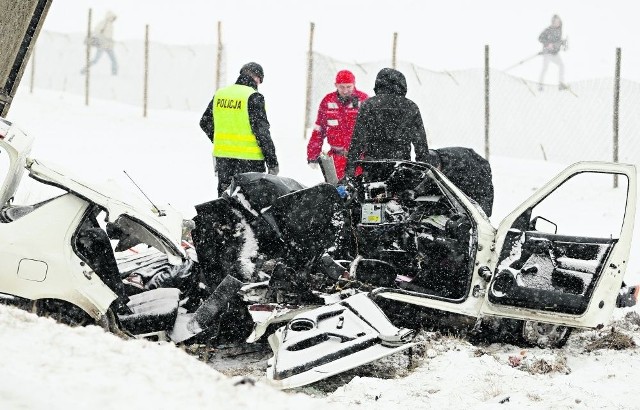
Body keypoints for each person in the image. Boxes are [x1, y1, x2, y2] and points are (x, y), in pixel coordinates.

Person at [199, 62, 279, 196]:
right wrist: (272, 162)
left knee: (225, 200)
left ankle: (223, 218)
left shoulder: (221, 94)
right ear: (257, 78)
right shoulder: (253, 96)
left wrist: (220, 141)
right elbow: (262, 132)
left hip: (223, 159)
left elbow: (205, 122)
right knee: (249, 202)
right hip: (250, 161)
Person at [345, 67, 429, 178]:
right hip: (400, 167)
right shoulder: (411, 107)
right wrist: (423, 170)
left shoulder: (368, 105)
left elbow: (358, 140)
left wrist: (350, 170)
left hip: (373, 166)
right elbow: (420, 143)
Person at [306, 70, 369, 181]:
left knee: (358, 192)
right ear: (336, 85)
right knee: (336, 192)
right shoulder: (327, 101)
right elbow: (319, 130)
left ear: (354, 84)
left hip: (359, 159)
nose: (345, 90)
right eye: (341, 87)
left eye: (348, 87)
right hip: (336, 160)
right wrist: (312, 154)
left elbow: (373, 129)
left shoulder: (364, 100)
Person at [427, 147, 494, 217]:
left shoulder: (471, 172)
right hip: (455, 169)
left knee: (479, 212)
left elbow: (484, 200)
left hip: (474, 174)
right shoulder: (433, 160)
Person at [81, 11, 118, 75]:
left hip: (109, 46)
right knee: (95, 60)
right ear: (109, 17)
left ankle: (114, 75)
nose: (114, 19)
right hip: (102, 45)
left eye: (114, 18)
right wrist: (102, 39)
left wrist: (111, 41)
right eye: (113, 17)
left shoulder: (111, 25)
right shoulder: (104, 23)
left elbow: (108, 35)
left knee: (114, 61)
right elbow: (96, 31)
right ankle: (84, 69)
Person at [538, 14, 567, 91]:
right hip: (547, 53)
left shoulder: (559, 30)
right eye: (556, 22)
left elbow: (557, 41)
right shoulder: (548, 30)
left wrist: (562, 42)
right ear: (553, 22)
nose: (558, 23)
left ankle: (561, 84)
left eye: (559, 21)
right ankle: (540, 85)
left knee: (562, 66)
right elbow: (540, 38)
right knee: (545, 68)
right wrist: (547, 44)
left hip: (555, 54)